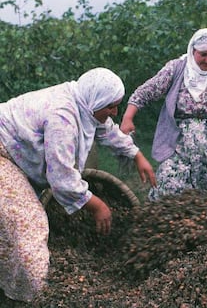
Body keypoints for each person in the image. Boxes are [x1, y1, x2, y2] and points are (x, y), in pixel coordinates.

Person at [0, 67, 156, 302]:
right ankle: (36, 296)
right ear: (96, 100)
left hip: (14, 153)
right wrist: (96, 205)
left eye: (117, 105)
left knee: (9, 223)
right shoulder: (63, 117)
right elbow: (62, 179)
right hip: (2, 153)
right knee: (28, 222)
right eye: (111, 106)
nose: (115, 112)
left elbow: (107, 130)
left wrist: (136, 155)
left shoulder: (84, 101)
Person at [120, 28, 207, 206]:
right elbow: (147, 91)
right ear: (193, 50)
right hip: (180, 145)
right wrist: (128, 117)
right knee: (170, 190)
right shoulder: (177, 68)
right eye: (203, 54)